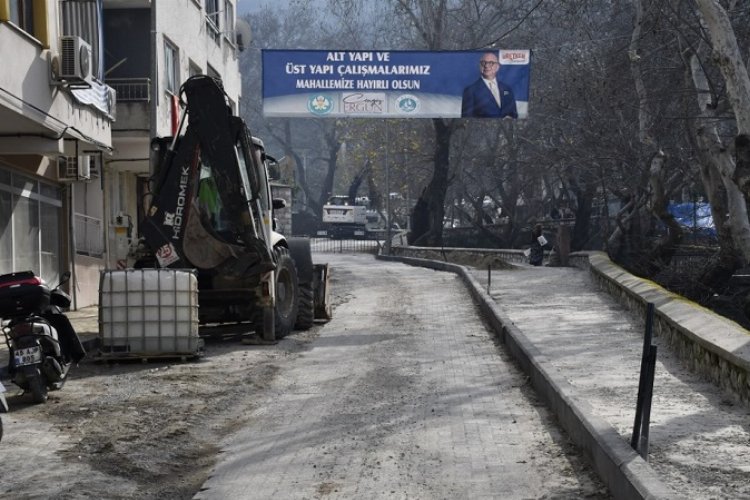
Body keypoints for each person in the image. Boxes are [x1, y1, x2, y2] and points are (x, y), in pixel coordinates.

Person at [461, 52, 518, 119]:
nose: (486, 66)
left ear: (497, 67)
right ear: (479, 66)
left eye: (491, 63)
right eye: (483, 63)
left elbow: (514, 114)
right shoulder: (470, 91)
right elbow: (466, 119)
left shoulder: (507, 89)